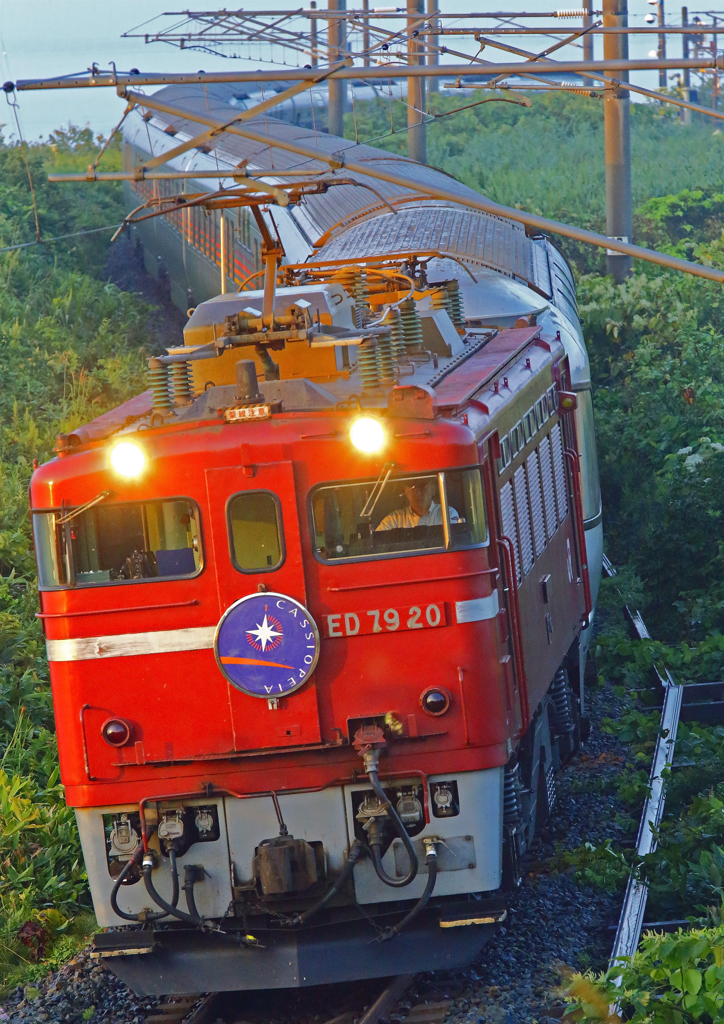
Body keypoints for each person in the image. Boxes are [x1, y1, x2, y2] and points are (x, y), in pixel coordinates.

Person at [376, 477, 460, 531]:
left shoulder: (447, 514)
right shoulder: (393, 520)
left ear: (433, 489)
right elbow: (378, 543)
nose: (417, 493)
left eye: (423, 487)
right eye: (412, 489)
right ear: (405, 491)